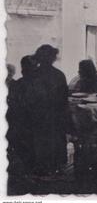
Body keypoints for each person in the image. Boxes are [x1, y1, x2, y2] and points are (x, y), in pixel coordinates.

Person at [32, 44, 69, 176]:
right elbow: (65, 98)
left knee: (42, 141)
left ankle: (43, 168)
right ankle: (56, 167)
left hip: (39, 115)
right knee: (55, 140)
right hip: (55, 115)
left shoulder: (33, 75)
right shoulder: (59, 75)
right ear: (52, 58)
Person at [6, 55, 38, 193]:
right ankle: (25, 175)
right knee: (26, 147)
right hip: (25, 123)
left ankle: (24, 174)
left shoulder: (17, 84)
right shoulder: (25, 84)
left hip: (21, 123)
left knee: (24, 148)